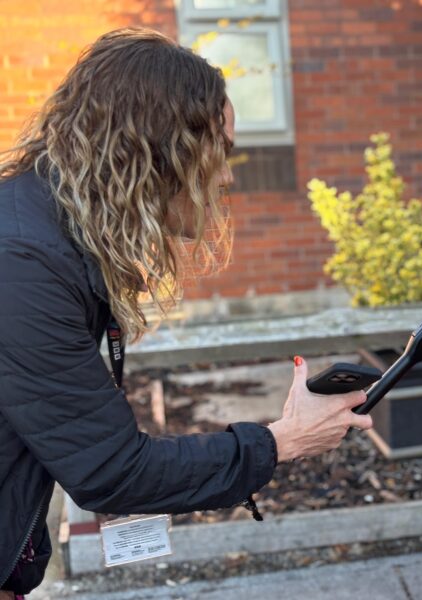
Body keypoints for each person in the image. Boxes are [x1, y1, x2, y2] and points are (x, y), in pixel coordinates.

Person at [0, 28, 372, 598]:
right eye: (218, 155)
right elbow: (111, 470)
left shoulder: (50, 231)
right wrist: (281, 440)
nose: (226, 177)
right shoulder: (25, 262)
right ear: (155, 153)